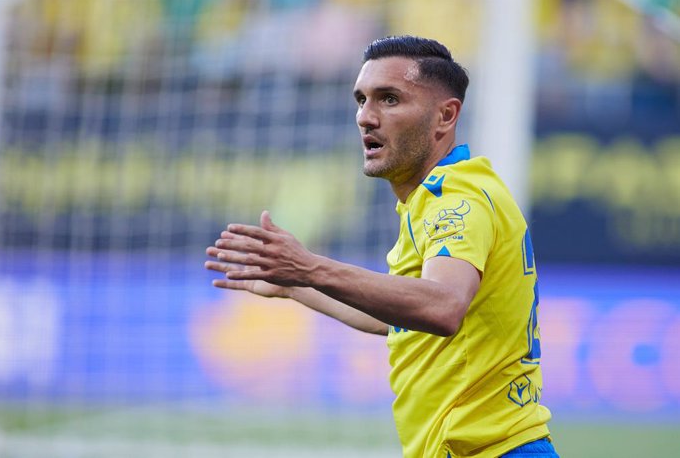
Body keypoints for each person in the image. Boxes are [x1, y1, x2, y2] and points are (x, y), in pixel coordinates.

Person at [205, 35, 558, 458]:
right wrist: (294, 286)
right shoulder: (429, 201)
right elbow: (398, 318)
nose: (365, 117)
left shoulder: (456, 200)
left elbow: (441, 306)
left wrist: (310, 267)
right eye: (361, 99)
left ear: (445, 116)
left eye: (389, 99)